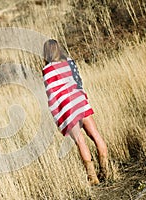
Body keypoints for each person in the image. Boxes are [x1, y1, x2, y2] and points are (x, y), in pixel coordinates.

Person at [42, 39, 109, 185]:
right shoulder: (70, 62)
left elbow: (52, 97)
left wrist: (58, 118)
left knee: (80, 141)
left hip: (67, 109)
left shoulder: (46, 72)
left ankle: (92, 177)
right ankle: (106, 171)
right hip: (80, 101)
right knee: (96, 135)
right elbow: (79, 82)